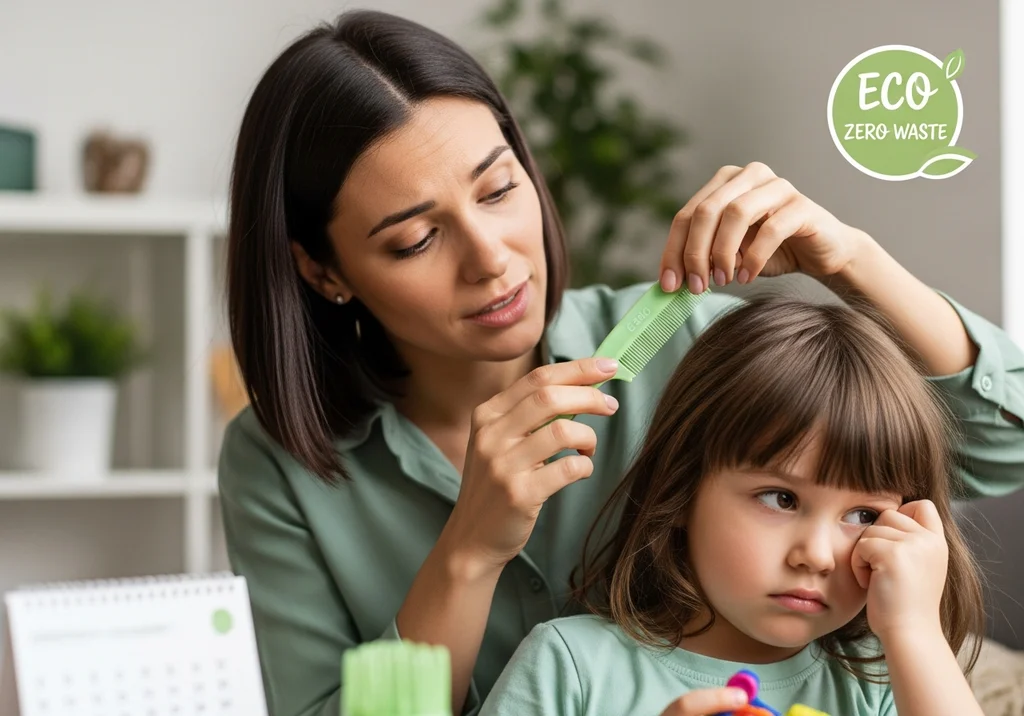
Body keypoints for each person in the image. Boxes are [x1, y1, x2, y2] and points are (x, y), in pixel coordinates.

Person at [218, 9, 1024, 716]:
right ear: (321, 270)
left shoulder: (687, 347)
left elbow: (1004, 448)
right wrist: (468, 551)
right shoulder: (279, 466)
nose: (492, 259)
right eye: (416, 239)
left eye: (498, 191)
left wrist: (850, 261)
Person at [478, 296, 986, 716]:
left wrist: (915, 631)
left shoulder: (889, 679)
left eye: (863, 516)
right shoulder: (571, 666)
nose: (816, 555)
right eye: (782, 499)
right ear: (682, 489)